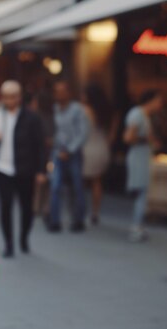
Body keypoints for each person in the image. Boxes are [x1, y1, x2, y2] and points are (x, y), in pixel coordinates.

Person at [0, 81, 46, 257]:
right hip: (3, 168)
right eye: (5, 97)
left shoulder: (32, 117)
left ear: (19, 97)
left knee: (27, 207)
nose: (8, 100)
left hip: (25, 169)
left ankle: (24, 237)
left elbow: (40, 145)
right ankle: (9, 244)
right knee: (6, 207)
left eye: (12, 96)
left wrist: (41, 170)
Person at [48, 81, 89, 233]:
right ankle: (54, 220)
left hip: (73, 153)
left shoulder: (77, 110)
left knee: (77, 187)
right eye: (56, 91)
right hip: (58, 152)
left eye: (61, 91)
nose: (58, 94)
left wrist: (70, 149)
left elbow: (83, 132)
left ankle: (78, 219)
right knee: (55, 185)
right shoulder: (56, 108)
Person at [123, 90, 163, 242]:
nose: (160, 105)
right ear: (151, 100)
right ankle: (136, 226)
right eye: (158, 101)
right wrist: (147, 140)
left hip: (143, 157)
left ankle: (138, 224)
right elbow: (128, 137)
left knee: (143, 192)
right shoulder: (137, 114)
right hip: (138, 158)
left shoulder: (144, 116)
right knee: (142, 192)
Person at [81, 84, 113, 225]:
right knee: (97, 182)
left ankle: (80, 211)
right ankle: (95, 213)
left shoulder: (83, 110)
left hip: (87, 147)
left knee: (81, 182)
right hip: (102, 147)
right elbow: (111, 136)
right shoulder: (107, 111)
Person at [29, 90, 54, 219]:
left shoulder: (37, 118)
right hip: (47, 153)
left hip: (43, 153)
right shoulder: (50, 117)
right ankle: (43, 207)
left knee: (40, 181)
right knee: (46, 181)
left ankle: (38, 206)